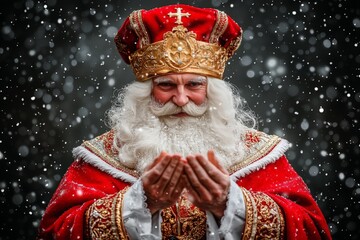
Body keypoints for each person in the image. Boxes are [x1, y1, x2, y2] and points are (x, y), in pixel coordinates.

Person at [38, 4, 332, 240]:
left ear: (212, 92)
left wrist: (233, 205)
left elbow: (310, 229)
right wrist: (138, 204)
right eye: (166, 85)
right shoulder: (103, 156)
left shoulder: (257, 153)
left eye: (193, 84)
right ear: (146, 92)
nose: (181, 99)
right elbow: (56, 232)